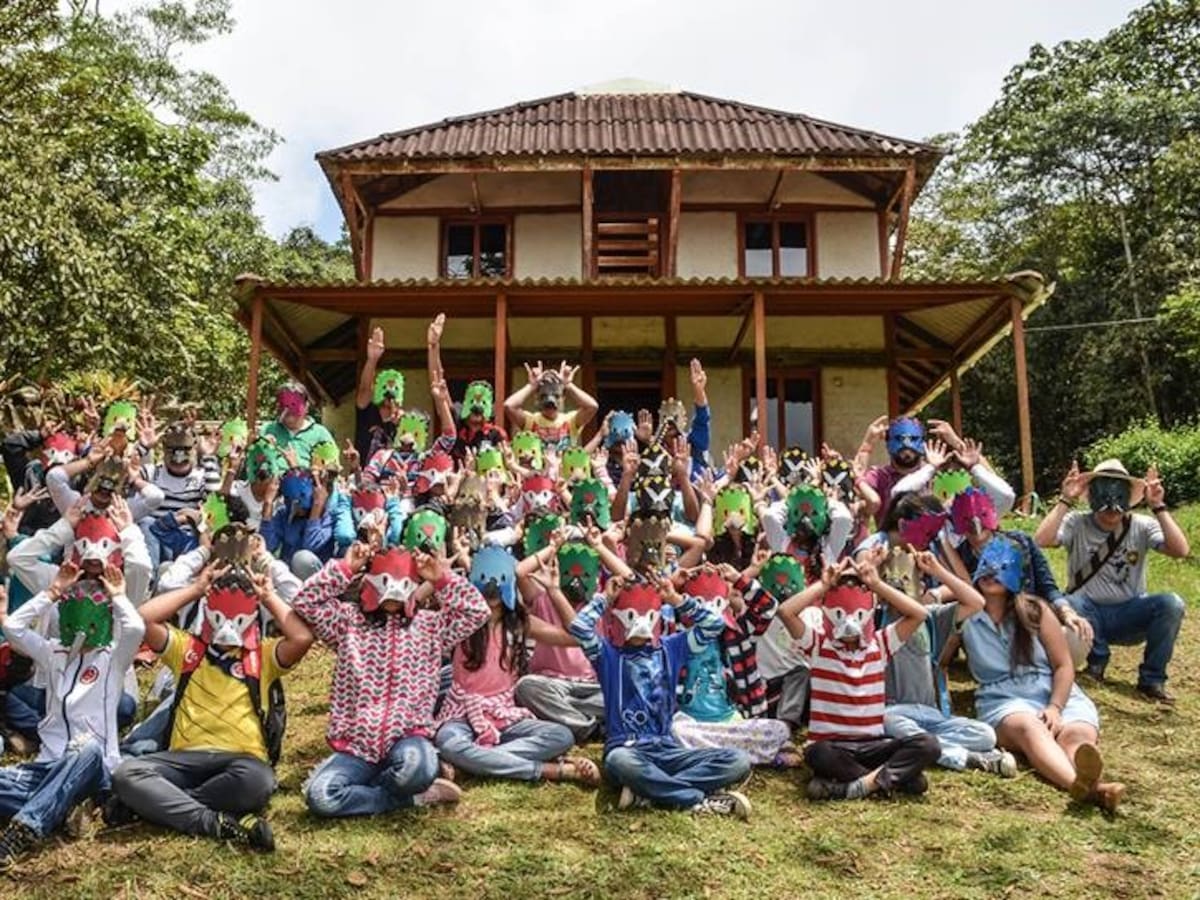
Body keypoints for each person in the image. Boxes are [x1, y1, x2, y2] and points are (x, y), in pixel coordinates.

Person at [110, 562, 313, 851]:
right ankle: (215, 823)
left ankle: (156, 806)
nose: (228, 626)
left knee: (259, 783)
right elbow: (144, 619)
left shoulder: (263, 656)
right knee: (126, 774)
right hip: (183, 758)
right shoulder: (188, 650)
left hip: (242, 761)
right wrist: (195, 589)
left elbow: (302, 637)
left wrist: (268, 595)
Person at [293, 544, 489, 818]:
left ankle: (386, 785)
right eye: (386, 580)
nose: (394, 591)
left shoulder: (431, 627)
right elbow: (304, 601)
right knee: (322, 797)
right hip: (356, 746)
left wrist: (439, 578)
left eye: (404, 582)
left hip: (407, 739)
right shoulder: (346, 623)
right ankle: (410, 798)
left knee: (416, 770)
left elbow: (477, 612)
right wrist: (345, 569)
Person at [0, 553, 143, 869]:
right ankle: (64, 807)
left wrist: (118, 596)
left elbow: (135, 628)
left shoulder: (112, 659)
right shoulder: (53, 652)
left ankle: (26, 826)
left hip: (95, 766)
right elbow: (14, 629)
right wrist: (52, 591)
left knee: (86, 747)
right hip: (48, 766)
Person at [569, 574, 753, 819]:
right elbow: (579, 628)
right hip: (627, 748)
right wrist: (605, 598)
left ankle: (648, 792)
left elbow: (714, 625)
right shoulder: (608, 655)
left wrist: (676, 599)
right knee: (620, 762)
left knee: (738, 760)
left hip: (667, 748)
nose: (642, 622)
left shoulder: (671, 648)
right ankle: (696, 799)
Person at [959, 537, 1123, 810]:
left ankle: (1087, 778)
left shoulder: (1035, 610)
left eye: (1001, 567)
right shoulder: (965, 616)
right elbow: (938, 657)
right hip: (1002, 699)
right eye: (985, 567)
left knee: (1077, 733)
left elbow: (1063, 665)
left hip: (1052, 691)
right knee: (1030, 728)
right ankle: (1087, 788)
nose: (991, 574)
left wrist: (1056, 707)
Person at [775, 550, 940, 801]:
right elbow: (786, 612)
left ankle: (853, 786)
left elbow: (919, 613)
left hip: (873, 744)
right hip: (833, 746)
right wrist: (823, 585)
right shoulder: (820, 647)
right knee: (817, 754)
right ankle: (890, 781)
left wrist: (876, 584)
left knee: (928, 745)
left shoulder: (880, 645)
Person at [433, 547, 600, 787]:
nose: (492, 589)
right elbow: (421, 603)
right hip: (460, 712)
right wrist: (439, 576)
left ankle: (470, 762)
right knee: (449, 743)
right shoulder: (459, 621)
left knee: (560, 736)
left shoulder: (521, 624)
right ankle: (549, 769)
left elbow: (575, 637)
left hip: (504, 715)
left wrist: (553, 591)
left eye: (499, 580)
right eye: (485, 580)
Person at [1034, 459, 1189, 703]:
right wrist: (1065, 500)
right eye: (1103, 496)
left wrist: (1158, 506)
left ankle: (1152, 679)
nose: (1111, 507)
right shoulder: (1077, 522)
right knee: (1070, 600)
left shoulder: (1142, 525)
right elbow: (1041, 540)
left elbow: (1180, 550)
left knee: (1173, 604)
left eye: (1118, 497)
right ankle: (1097, 662)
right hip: (1086, 615)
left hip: (1129, 614)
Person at [503, 361, 598, 450]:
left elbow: (592, 406)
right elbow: (509, 406)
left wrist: (568, 385)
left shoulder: (570, 421)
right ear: (537, 397)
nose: (550, 401)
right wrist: (532, 385)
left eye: (556, 396)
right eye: (544, 396)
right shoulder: (530, 421)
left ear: (563, 397)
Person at [260, 382, 334, 468]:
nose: (289, 410)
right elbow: (250, 469)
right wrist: (260, 449)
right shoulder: (266, 430)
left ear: (306, 407)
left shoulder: (320, 434)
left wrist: (296, 467)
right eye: (284, 405)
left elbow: (331, 471)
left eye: (294, 404)